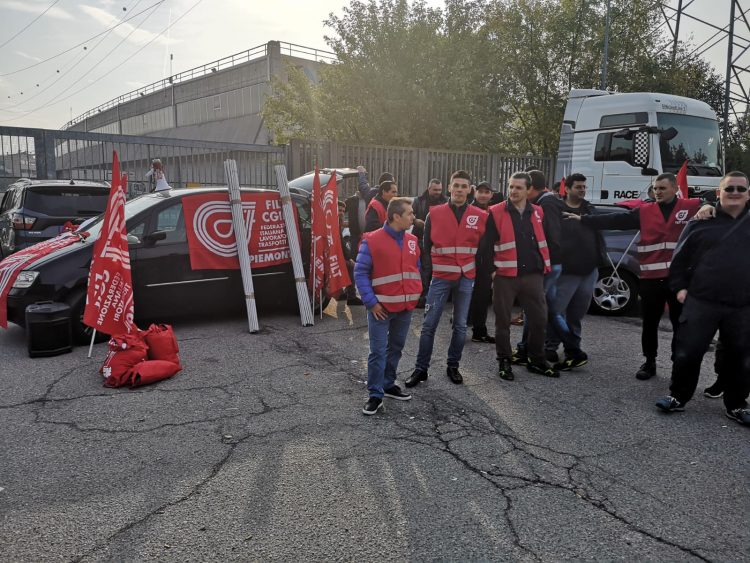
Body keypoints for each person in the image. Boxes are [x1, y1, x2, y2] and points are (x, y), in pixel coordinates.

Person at [567, 173, 700, 380]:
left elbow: (716, 205)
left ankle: (678, 362)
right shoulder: (645, 211)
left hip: (679, 280)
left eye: (662, 188)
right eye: (655, 188)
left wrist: (709, 207)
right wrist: (584, 219)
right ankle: (649, 362)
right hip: (651, 278)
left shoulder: (690, 207)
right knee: (650, 323)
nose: (657, 192)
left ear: (675, 189)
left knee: (680, 324)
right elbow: (615, 219)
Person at [655, 171, 750, 426]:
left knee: (741, 357)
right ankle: (677, 397)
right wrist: (679, 289)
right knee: (687, 353)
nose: (735, 193)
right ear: (719, 193)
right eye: (729, 189)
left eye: (741, 189)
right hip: (701, 301)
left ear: (748, 193)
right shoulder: (700, 221)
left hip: (742, 305)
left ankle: (737, 405)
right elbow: (680, 259)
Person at [405, 170, 489, 387]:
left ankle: (453, 366)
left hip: (466, 277)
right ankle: (420, 369)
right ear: (450, 188)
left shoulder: (480, 216)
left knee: (460, 326)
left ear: (469, 190)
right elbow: (426, 246)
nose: (460, 189)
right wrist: (430, 272)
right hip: (441, 277)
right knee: (428, 325)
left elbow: (483, 249)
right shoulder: (435, 214)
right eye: (456, 185)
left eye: (464, 186)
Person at [488, 172, 558, 381]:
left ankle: (536, 360)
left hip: (532, 275)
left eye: (518, 187)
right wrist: (492, 271)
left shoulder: (538, 212)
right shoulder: (495, 212)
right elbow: (485, 246)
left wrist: (544, 266)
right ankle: (505, 361)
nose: (513, 191)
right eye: (511, 187)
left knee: (539, 319)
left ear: (529, 190)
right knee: (503, 322)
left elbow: (543, 240)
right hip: (505, 276)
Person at [355, 198, 422, 415]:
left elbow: (415, 268)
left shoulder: (412, 240)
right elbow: (360, 272)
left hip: (405, 308)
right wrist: (371, 303)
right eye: (410, 213)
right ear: (396, 216)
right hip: (380, 309)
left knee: (396, 348)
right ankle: (375, 394)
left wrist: (417, 292)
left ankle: (388, 384)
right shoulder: (372, 240)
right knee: (377, 352)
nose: (413, 217)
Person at [546, 173, 604, 370]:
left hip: (589, 270)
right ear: (567, 189)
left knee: (577, 313)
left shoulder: (589, 209)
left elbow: (599, 224)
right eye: (578, 187)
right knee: (557, 311)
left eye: (584, 187)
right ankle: (550, 346)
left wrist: (583, 219)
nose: (582, 190)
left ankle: (573, 348)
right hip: (566, 271)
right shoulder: (557, 209)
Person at [512, 170, 563, 365]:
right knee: (545, 308)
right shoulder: (548, 201)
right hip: (550, 263)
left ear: (530, 188)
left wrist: (540, 262)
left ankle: (529, 349)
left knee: (534, 307)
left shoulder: (545, 204)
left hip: (546, 265)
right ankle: (550, 347)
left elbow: (550, 236)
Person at [468, 181, 496, 343]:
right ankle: (460, 324)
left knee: (482, 297)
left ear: (491, 195)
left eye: (487, 192)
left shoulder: (494, 212)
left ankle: (479, 331)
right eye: (481, 191)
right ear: (475, 192)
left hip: (486, 262)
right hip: (467, 260)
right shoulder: (468, 210)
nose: (484, 195)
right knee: (464, 295)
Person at [412, 179, 447, 307]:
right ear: (428, 189)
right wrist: (416, 221)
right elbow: (410, 215)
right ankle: (423, 296)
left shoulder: (446, 201)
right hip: (420, 238)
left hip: (438, 241)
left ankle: (431, 295)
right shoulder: (418, 201)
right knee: (424, 268)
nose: (437, 192)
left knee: (432, 268)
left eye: (439, 190)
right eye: (435, 190)